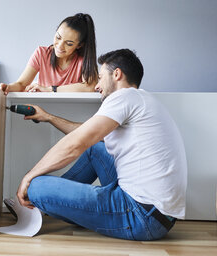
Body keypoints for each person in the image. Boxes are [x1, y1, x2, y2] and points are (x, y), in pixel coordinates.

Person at [16, 49, 187, 241]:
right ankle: (51, 203)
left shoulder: (124, 97)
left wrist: (29, 177)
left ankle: (37, 200)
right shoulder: (141, 99)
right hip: (158, 216)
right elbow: (87, 135)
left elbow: (75, 144)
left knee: (36, 187)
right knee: (95, 149)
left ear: (117, 74)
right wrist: (48, 117)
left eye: (100, 77)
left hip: (140, 216)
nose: (97, 85)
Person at [0, 13, 98, 93]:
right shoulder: (42, 53)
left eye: (69, 43)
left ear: (79, 45)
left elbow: (89, 87)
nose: (59, 46)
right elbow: (22, 84)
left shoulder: (83, 60)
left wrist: (50, 89)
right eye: (58, 37)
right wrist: (8, 87)